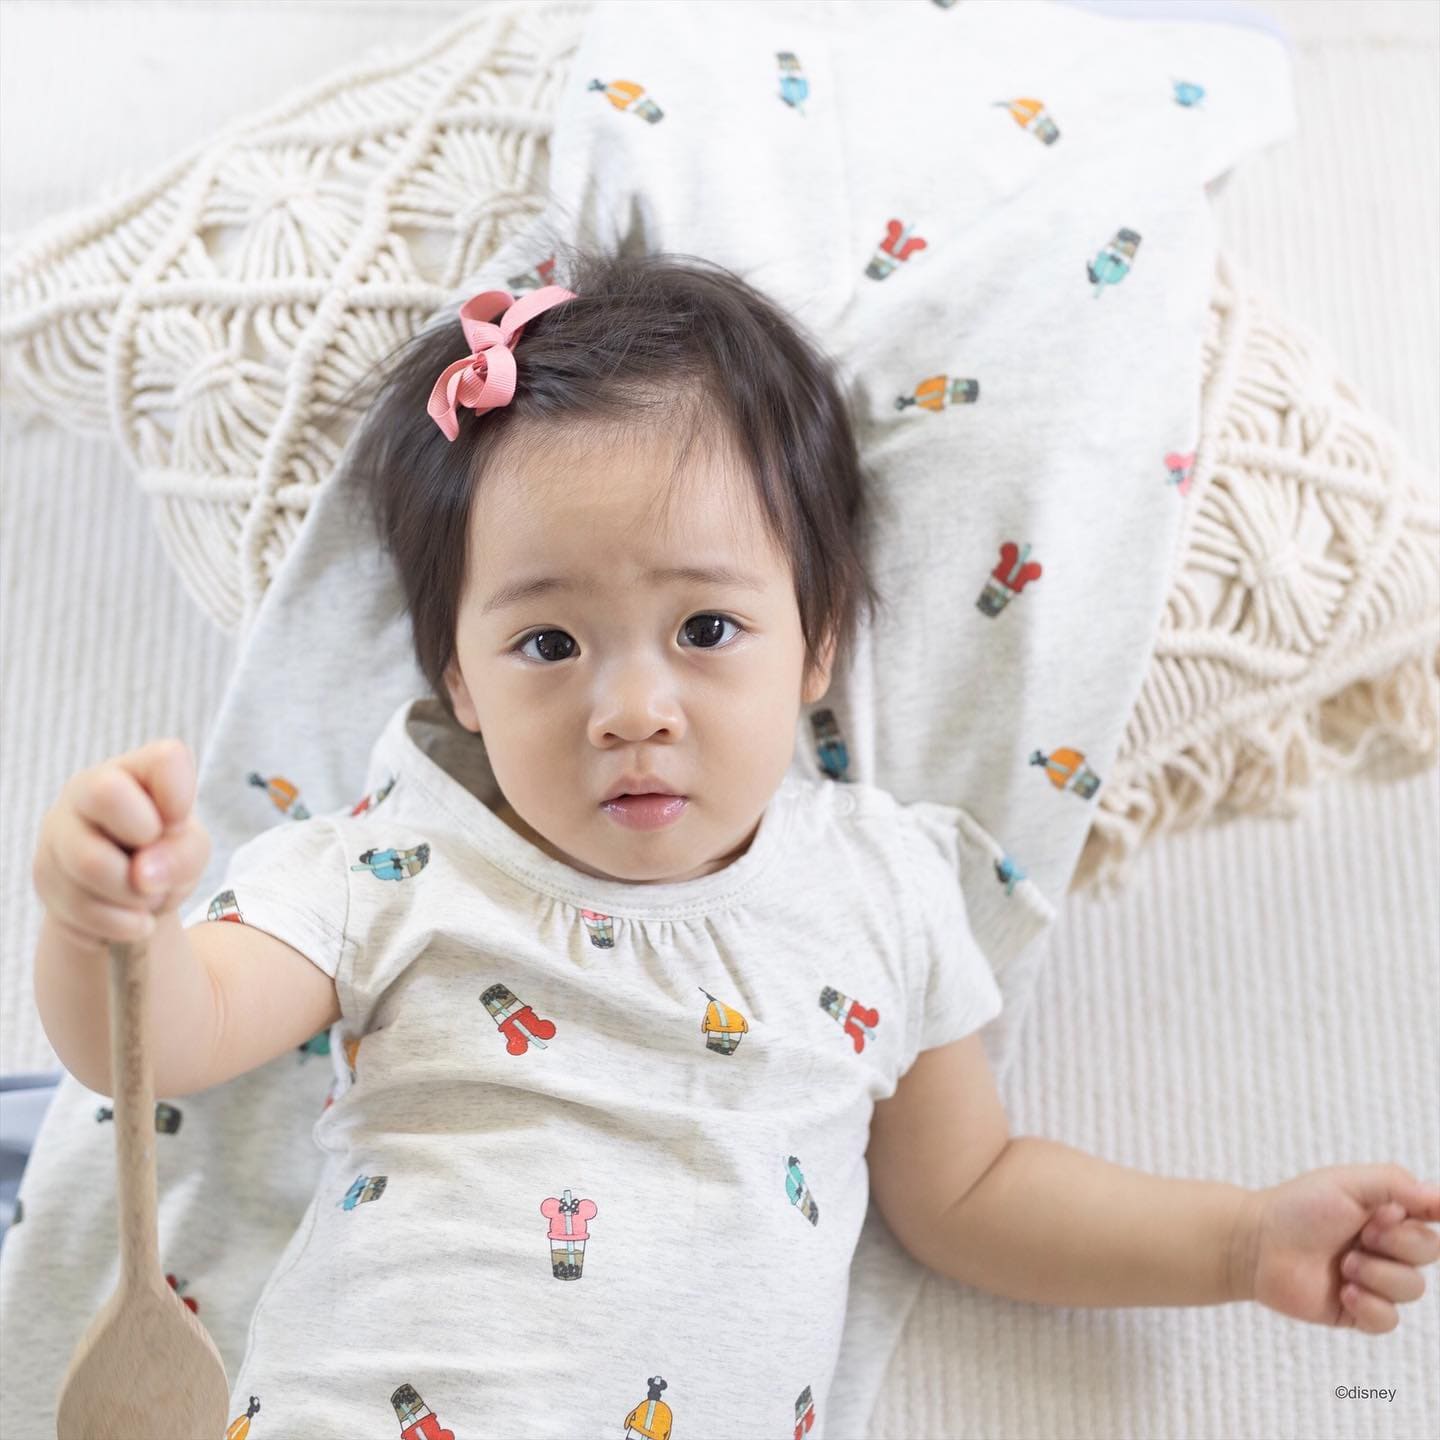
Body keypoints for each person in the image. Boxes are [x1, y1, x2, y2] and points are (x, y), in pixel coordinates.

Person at [32, 248, 1439, 1439]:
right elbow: (161, 1037)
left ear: (816, 644)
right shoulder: (399, 862)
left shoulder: (884, 889)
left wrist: (1238, 1243)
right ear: (458, 679)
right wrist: (113, 926)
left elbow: (969, 1192)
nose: (630, 710)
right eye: (546, 643)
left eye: (707, 631)